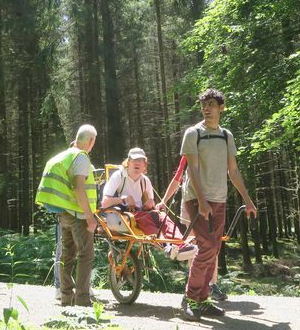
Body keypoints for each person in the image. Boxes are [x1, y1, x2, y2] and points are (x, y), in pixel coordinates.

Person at [180, 89, 257, 320]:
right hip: (197, 197)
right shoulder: (193, 133)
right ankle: (190, 299)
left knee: (214, 249)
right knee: (205, 248)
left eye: (211, 104)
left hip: (219, 199)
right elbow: (192, 169)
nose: (206, 108)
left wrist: (248, 200)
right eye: (204, 104)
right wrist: (202, 202)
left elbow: (232, 170)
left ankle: (202, 300)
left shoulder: (226, 136)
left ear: (221, 108)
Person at [36, 124, 98, 307]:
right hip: (78, 214)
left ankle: (66, 297)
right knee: (86, 255)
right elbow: (79, 187)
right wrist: (89, 216)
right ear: (91, 141)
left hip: (63, 213)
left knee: (67, 256)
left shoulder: (64, 155)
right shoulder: (81, 157)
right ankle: (82, 299)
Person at [101, 147, 197, 261]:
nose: (137, 163)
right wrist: (123, 199)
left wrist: (150, 204)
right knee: (145, 217)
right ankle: (166, 246)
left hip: (141, 212)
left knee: (162, 217)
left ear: (144, 164)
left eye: (140, 160)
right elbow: (104, 203)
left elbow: (152, 205)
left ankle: (180, 244)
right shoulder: (119, 176)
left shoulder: (145, 180)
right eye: (134, 160)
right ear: (128, 162)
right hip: (124, 215)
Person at [157, 156, 227, 301]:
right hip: (191, 203)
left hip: (212, 202)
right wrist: (164, 201)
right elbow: (177, 180)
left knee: (213, 245)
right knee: (196, 246)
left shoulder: (213, 151)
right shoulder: (189, 154)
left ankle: (211, 285)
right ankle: (194, 289)